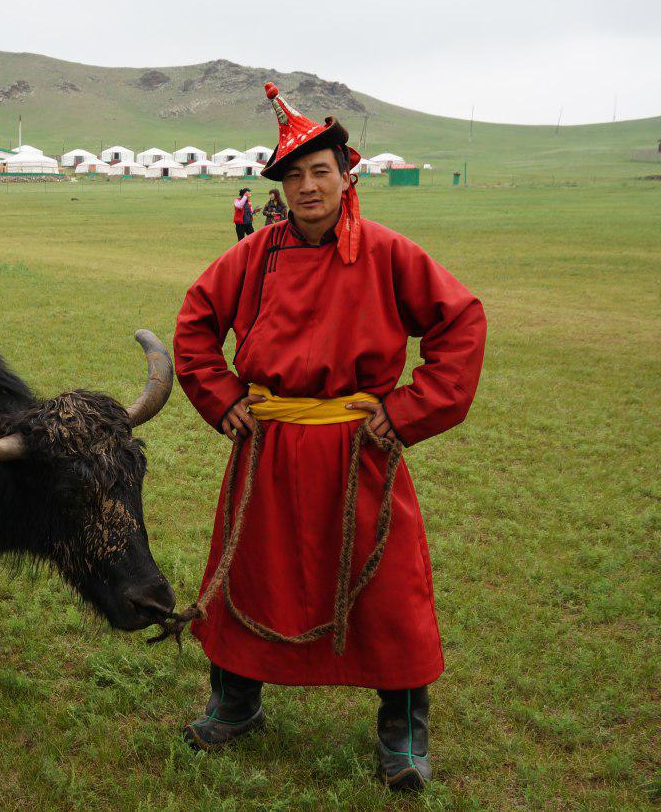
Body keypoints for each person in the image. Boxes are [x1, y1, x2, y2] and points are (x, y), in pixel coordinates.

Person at [172, 82, 486, 792]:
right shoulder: (253, 256)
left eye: (320, 172)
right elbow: (195, 324)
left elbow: (460, 323)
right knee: (251, 570)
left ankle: (403, 730)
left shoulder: (387, 251)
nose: (308, 186)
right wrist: (221, 398)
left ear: (348, 176)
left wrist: (407, 411)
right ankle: (235, 702)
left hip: (359, 450)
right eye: (294, 175)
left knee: (386, 588)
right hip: (269, 450)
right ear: (281, 187)